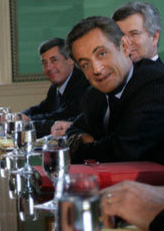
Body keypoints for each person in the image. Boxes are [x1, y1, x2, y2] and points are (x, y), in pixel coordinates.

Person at [64, 16, 164, 164]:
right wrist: (82, 140)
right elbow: (74, 130)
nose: (96, 70)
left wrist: (78, 148)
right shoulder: (94, 95)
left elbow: (122, 151)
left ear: (124, 46)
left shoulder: (155, 83)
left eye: (102, 54)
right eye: (85, 64)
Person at [22, 38, 89, 137]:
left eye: (54, 60)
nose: (48, 68)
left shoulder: (82, 84)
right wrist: (23, 115)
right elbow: (42, 108)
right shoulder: (55, 87)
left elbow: (62, 116)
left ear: (70, 60)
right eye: (45, 63)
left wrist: (28, 121)